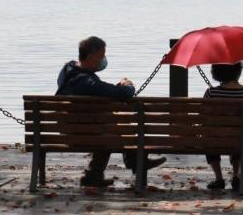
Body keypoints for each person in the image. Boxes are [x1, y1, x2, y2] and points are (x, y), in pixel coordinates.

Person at [56, 36, 166, 187]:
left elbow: (102, 89)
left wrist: (115, 89)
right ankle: (137, 163)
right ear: (91, 57)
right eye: (101, 56)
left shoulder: (67, 72)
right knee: (113, 130)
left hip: (68, 131)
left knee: (109, 128)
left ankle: (94, 176)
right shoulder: (89, 83)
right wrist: (128, 85)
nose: (104, 60)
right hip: (83, 134)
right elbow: (122, 93)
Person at [203, 62, 243, 191]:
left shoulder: (211, 93)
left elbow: (204, 119)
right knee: (240, 135)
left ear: (216, 73)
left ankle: (219, 178)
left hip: (215, 141)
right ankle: (236, 175)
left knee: (208, 136)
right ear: (238, 72)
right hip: (242, 140)